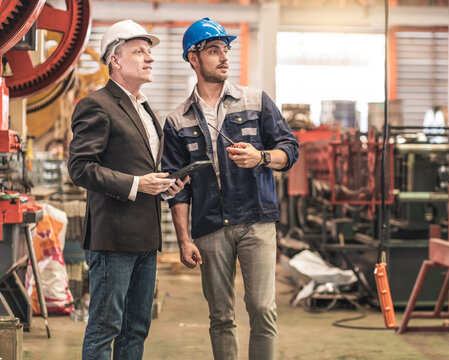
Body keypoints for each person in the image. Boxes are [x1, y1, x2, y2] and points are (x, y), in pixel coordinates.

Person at [161, 17, 299, 360]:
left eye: (225, 49)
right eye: (213, 50)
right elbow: (177, 188)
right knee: (220, 316)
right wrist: (183, 239)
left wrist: (261, 156)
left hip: (256, 219)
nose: (224, 57)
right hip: (210, 226)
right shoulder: (178, 120)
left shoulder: (256, 101)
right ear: (193, 59)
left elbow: (290, 150)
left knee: (262, 308)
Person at [68, 20, 186, 360]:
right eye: (139, 51)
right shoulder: (97, 105)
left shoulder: (147, 109)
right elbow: (80, 168)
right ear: (114, 60)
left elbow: (143, 169)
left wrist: (165, 185)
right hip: (113, 240)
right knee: (106, 328)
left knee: (136, 329)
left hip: (146, 237)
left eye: (150, 52)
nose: (149, 58)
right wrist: (136, 184)